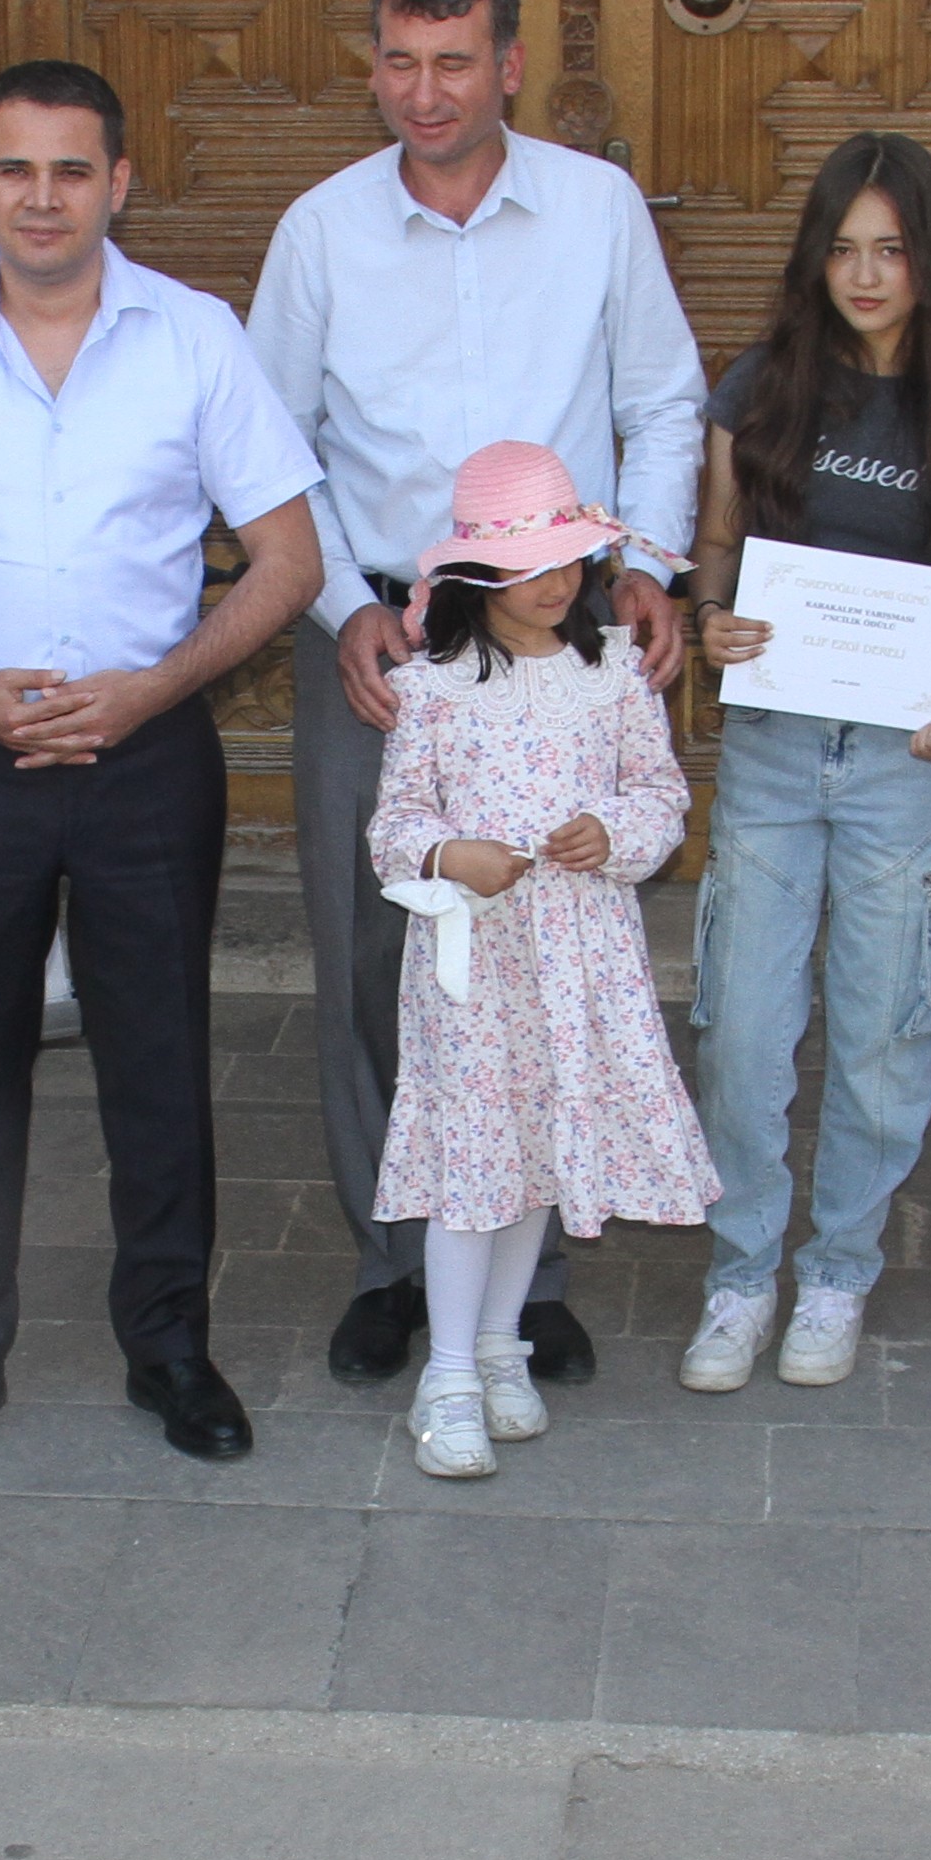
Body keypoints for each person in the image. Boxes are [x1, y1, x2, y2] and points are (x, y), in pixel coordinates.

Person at [0, 57, 329, 1477]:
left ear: (118, 184)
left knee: (158, 1066)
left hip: (147, 762)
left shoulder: (195, 338)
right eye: (16, 169)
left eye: (73, 169)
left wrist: (156, 686)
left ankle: (170, 1348)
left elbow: (291, 557)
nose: (44, 197)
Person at [248, 0, 699, 1398]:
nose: (422, 93)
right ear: (371, 62)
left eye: (453, 63)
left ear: (508, 66)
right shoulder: (322, 230)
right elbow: (268, 441)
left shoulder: (596, 209)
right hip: (380, 639)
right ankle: (397, 1263)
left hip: (557, 639)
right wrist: (332, 611)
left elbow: (664, 401)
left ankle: (531, 1278)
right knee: (380, 950)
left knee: (552, 942)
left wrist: (654, 568)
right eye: (397, 61)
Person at [682, 133, 931, 1392]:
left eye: (889, 250)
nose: (865, 275)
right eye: (842, 250)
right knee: (744, 1035)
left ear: (927, 259)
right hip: (771, 752)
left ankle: (835, 1275)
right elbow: (715, 546)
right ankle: (736, 1278)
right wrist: (715, 623)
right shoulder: (760, 386)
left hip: (904, 759)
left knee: (885, 1039)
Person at [368, 444, 717, 1475]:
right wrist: (447, 855)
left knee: (536, 1162)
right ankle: (447, 1380)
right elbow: (393, 828)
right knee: (473, 1161)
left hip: (577, 961)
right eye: (530, 566)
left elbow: (661, 796)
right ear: (478, 581)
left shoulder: (611, 673)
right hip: (472, 969)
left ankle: (496, 1343)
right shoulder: (429, 691)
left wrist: (612, 833)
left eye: (569, 560)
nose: (557, 582)